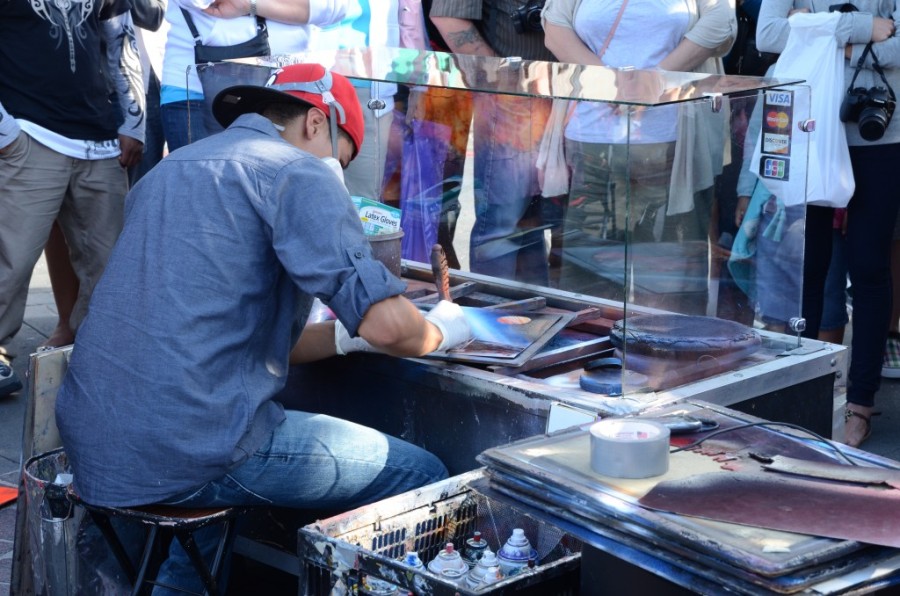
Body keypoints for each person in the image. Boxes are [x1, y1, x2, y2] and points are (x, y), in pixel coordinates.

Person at [55, 63, 472, 594]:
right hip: (191, 441)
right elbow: (393, 328)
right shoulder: (296, 172)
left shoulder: (168, 169)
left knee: (210, 496)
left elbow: (219, 327)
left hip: (93, 431)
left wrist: (345, 337)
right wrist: (441, 330)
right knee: (424, 477)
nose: (339, 173)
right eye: (344, 159)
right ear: (317, 123)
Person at [759, 0, 899, 447]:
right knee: (809, 265)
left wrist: (815, 32)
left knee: (869, 266)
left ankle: (860, 403)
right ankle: (803, 388)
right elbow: (768, 35)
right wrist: (859, 27)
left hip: (880, 130)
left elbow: (898, 49)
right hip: (808, 128)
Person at [0, 0, 145, 398]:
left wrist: (133, 122)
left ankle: (100, 355)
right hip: (28, 133)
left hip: (100, 139)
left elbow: (121, 41)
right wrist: (5, 134)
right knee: (11, 259)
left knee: (110, 265)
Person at [431, 0, 556, 286]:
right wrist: (502, 83)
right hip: (512, 100)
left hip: (562, 97)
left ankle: (533, 307)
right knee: (502, 225)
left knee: (532, 224)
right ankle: (492, 310)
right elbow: (448, 17)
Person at [160, 0, 349, 151]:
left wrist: (250, 5)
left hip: (283, 93)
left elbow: (333, 8)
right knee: (201, 183)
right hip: (195, 91)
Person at [312, 0, 400, 201]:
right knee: (301, 187)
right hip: (307, 81)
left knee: (362, 199)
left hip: (369, 88)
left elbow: (408, 20)